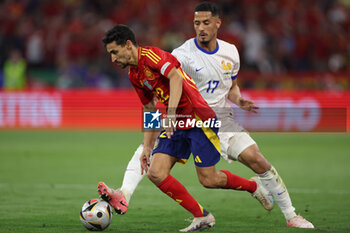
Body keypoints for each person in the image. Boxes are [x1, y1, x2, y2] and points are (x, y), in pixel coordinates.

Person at [98, 2, 315, 229]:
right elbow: (150, 108)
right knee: (155, 171)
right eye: (196, 23)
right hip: (183, 119)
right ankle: (196, 213)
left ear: (217, 23)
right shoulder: (161, 62)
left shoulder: (227, 51)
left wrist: (238, 99)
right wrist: (147, 144)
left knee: (223, 174)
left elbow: (187, 79)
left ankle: (289, 213)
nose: (113, 60)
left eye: (205, 22)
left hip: (205, 117)